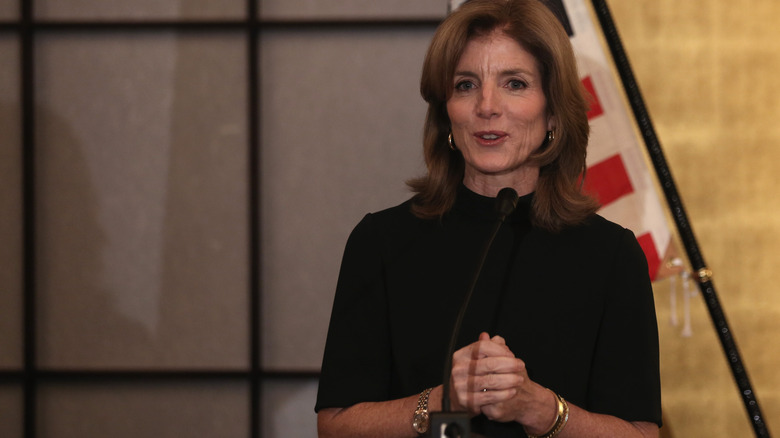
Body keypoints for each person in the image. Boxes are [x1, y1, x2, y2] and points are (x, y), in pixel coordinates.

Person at [315, 0, 662, 437]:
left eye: (514, 83)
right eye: (465, 85)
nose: (486, 106)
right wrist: (443, 400)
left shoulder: (611, 254)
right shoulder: (381, 241)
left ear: (553, 112)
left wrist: (540, 409)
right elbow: (335, 427)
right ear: (446, 112)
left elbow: (640, 435)